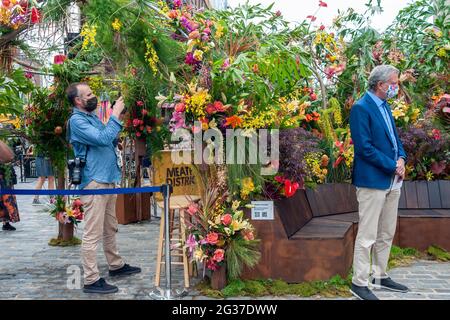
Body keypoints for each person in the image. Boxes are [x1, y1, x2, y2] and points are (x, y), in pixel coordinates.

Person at [66, 82, 141, 294]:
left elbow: (108, 139)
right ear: (78, 101)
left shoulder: (91, 117)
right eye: (88, 94)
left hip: (107, 177)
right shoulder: (77, 121)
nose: (93, 96)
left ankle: (115, 265)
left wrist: (115, 119)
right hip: (94, 180)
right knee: (92, 232)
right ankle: (90, 279)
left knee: (110, 226)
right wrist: (115, 113)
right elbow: (102, 138)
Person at [349, 65, 409, 300]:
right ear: (381, 84)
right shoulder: (361, 108)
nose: (397, 86)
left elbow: (395, 140)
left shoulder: (386, 107)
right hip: (373, 181)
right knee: (367, 235)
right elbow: (364, 148)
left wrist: (402, 158)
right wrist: (392, 165)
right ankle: (359, 283)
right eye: (394, 82)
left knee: (386, 232)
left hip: (394, 181)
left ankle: (380, 275)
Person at [0, 140, 20, 231]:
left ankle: (6, 222)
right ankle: (6, 222)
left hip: (4, 173)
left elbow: (10, 156)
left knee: (6, 198)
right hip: (4, 173)